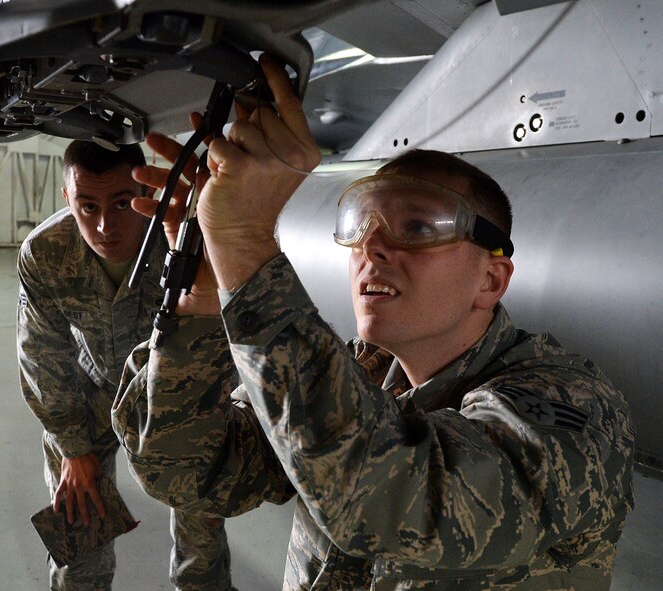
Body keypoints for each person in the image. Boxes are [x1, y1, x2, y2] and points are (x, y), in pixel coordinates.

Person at [112, 55, 635, 590]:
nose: (373, 248)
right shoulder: (358, 373)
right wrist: (199, 302)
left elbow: (391, 502)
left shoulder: (573, 409)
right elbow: (193, 472)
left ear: (491, 281)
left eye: (418, 225)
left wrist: (246, 245)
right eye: (360, 224)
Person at [17, 140, 235, 591]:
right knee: (78, 539)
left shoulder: (188, 244)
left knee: (202, 549)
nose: (104, 225)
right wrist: (74, 449)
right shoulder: (45, 252)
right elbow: (42, 355)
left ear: (146, 190)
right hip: (91, 395)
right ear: (66, 199)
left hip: (179, 395)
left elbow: (221, 342)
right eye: (87, 205)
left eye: (121, 203)